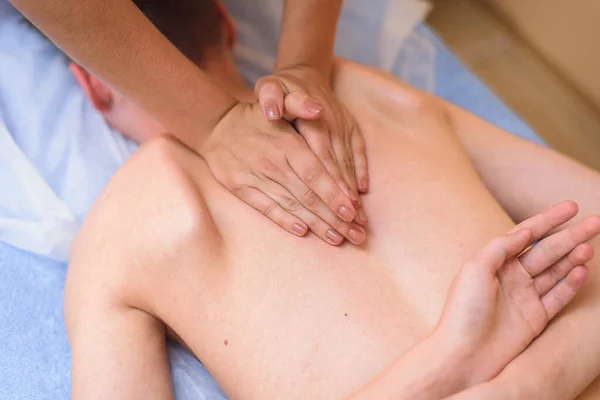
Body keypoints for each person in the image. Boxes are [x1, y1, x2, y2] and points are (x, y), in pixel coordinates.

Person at [64, 1, 600, 399]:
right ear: (227, 24)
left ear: (91, 85)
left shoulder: (120, 225)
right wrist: (529, 374)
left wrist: (499, 379)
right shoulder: (369, 92)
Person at [9, 0, 369, 245]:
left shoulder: (117, 235)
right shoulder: (378, 96)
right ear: (226, 21)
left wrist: (303, 63)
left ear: (94, 88)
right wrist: (305, 66)